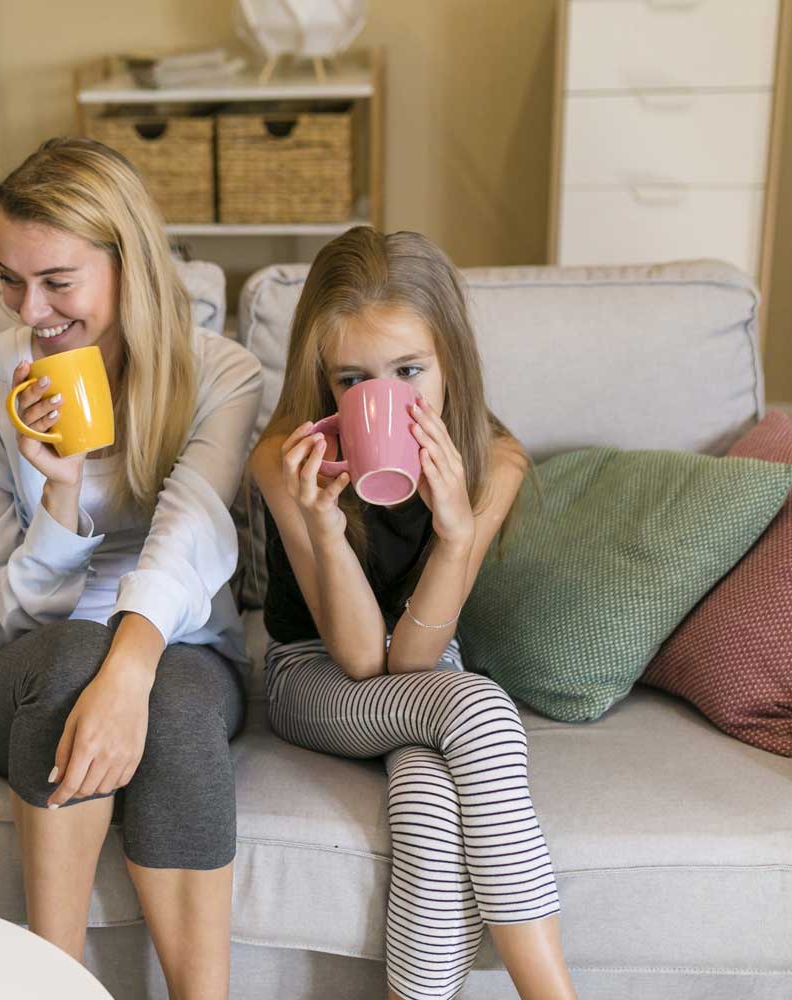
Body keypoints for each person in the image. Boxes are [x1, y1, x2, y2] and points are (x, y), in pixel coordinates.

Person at [0, 138, 261, 999]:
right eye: (9, 278)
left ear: (129, 263)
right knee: (76, 658)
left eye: (57, 281)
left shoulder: (220, 375)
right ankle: (55, 983)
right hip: (7, 668)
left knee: (177, 697)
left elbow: (192, 530)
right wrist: (62, 493)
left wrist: (130, 666)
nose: (29, 309)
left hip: (177, 651)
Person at [249, 226, 578, 1000]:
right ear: (325, 385)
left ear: (450, 365)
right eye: (352, 380)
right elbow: (364, 663)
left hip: (426, 678)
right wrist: (327, 532)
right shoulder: (282, 459)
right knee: (484, 713)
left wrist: (457, 530)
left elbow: (416, 662)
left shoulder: (495, 461)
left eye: (408, 372)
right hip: (315, 676)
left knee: (429, 806)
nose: (381, 398)